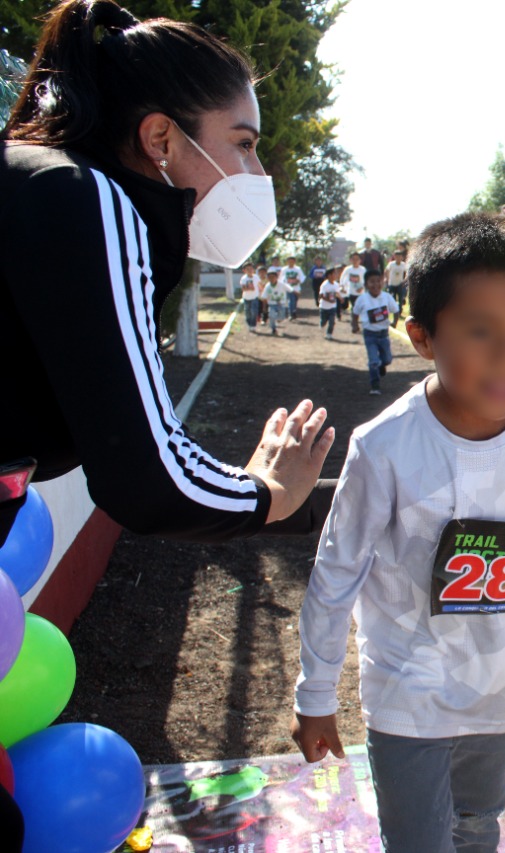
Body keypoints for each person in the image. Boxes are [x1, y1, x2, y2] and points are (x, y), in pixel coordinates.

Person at [1, 3, 336, 839]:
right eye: (245, 141)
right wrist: (266, 494)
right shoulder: (89, 199)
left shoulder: (34, 181)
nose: (257, 169)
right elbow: (146, 473)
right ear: (161, 140)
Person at [292, 212, 505, 853]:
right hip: (407, 701)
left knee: (477, 823)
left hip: (502, 692)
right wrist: (315, 693)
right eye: (480, 331)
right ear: (422, 337)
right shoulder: (384, 448)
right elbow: (336, 575)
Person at [350, 271, 399, 395]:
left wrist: (394, 322)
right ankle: (375, 386)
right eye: (372, 282)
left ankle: (382, 365)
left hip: (383, 334)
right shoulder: (362, 299)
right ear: (366, 284)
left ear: (382, 282)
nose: (375, 284)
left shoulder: (387, 297)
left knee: (387, 359)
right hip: (370, 335)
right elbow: (355, 313)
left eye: (378, 281)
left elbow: (396, 310)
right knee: (373, 362)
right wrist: (355, 325)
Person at [260, 269, 289, 335]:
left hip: (281, 303)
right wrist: (264, 307)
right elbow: (264, 297)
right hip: (272, 304)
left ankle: (279, 319)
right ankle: (273, 329)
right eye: (269, 277)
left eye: (273, 277)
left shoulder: (281, 284)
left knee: (281, 317)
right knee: (271, 315)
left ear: (276, 277)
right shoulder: (267, 286)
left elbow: (289, 289)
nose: (271, 279)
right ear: (267, 278)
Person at [318, 267, 341, 340]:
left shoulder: (336, 284)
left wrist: (341, 298)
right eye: (334, 273)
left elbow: (337, 293)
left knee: (332, 321)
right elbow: (321, 295)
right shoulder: (324, 285)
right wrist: (328, 300)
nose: (336, 275)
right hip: (324, 307)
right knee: (324, 321)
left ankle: (329, 334)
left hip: (332, 307)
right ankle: (322, 323)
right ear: (329, 275)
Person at [384, 248, 409, 314]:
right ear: (394, 257)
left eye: (399, 256)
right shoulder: (391, 264)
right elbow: (386, 271)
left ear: (401, 257)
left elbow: (406, 272)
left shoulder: (403, 264)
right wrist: (386, 278)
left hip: (400, 284)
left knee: (400, 299)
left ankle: (399, 311)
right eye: (396, 256)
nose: (398, 258)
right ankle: (394, 311)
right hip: (392, 284)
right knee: (393, 298)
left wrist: (405, 280)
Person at [280, 255, 304, 320]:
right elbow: (281, 278)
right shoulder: (284, 269)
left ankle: (294, 311)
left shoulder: (298, 269)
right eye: (289, 261)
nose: (291, 262)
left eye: (292, 261)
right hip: (288, 287)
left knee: (295, 300)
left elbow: (302, 277)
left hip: (296, 287)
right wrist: (284, 283)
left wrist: (298, 280)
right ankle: (290, 314)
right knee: (291, 300)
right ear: (287, 262)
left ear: (294, 262)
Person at [238, 261, 259, 332]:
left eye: (251, 269)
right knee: (247, 312)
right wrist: (249, 288)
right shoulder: (244, 279)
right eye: (248, 269)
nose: (250, 270)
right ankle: (249, 323)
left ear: (253, 269)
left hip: (255, 297)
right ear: (244, 270)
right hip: (246, 298)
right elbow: (243, 288)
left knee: (254, 311)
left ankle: (253, 325)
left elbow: (259, 285)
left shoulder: (256, 277)